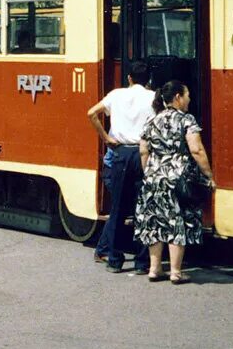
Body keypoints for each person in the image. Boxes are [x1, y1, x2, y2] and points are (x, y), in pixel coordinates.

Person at [134, 80, 215, 285]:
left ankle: (154, 269)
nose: (189, 99)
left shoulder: (152, 120)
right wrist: (209, 175)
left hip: (153, 177)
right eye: (187, 95)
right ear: (178, 97)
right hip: (177, 178)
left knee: (154, 221)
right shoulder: (187, 120)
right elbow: (196, 150)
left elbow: (143, 150)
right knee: (176, 220)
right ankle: (176, 272)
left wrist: (149, 173)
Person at [86, 62, 154, 274]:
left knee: (118, 208)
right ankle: (143, 262)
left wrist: (106, 138)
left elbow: (91, 113)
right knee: (144, 208)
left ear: (129, 78)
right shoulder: (153, 97)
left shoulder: (116, 95)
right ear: (148, 80)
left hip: (120, 153)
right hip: (143, 153)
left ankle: (114, 259)